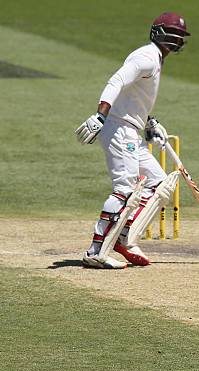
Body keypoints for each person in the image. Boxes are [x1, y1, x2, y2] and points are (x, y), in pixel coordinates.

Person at [75, 12, 190, 269]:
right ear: (162, 34)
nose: (179, 39)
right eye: (176, 34)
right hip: (118, 129)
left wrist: (148, 121)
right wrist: (100, 116)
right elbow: (116, 81)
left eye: (181, 36)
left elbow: (134, 96)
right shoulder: (146, 57)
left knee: (159, 184)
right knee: (124, 190)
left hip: (131, 129)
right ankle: (96, 250)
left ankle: (124, 235)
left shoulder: (155, 59)